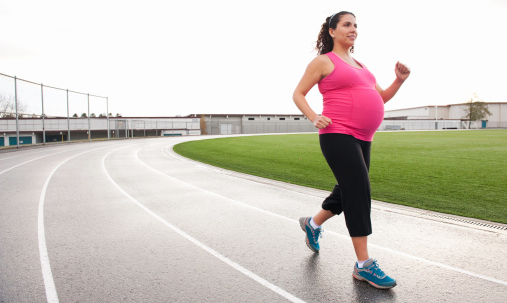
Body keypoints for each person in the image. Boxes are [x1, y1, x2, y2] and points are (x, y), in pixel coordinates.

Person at [292, 11, 410, 289]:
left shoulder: (360, 65)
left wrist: (399, 80)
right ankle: (364, 265)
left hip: (363, 137)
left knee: (347, 190)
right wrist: (313, 116)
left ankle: (313, 223)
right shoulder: (323, 61)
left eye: (356, 25)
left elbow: (380, 97)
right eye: (347, 24)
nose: (353, 29)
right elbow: (298, 93)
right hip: (337, 133)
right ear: (332, 31)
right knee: (358, 190)